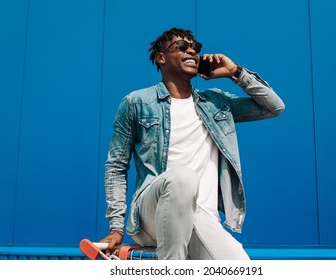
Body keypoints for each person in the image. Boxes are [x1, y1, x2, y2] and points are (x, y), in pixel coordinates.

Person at [100, 27, 285, 260]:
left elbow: (274, 107)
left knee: (240, 266)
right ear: (161, 57)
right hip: (152, 212)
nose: (192, 51)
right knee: (183, 178)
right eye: (181, 46)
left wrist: (235, 72)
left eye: (195, 47)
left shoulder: (216, 103)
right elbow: (116, 167)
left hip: (204, 218)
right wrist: (115, 228)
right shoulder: (136, 103)